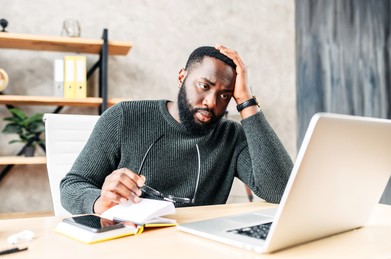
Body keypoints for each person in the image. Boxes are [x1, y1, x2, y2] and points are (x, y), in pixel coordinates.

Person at [60, 45, 293, 215]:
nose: (211, 102)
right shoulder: (124, 117)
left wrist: (246, 101)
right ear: (182, 77)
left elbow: (281, 190)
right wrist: (100, 201)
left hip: (198, 250)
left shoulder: (231, 136)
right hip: (131, 245)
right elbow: (72, 186)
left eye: (225, 95)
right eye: (204, 86)